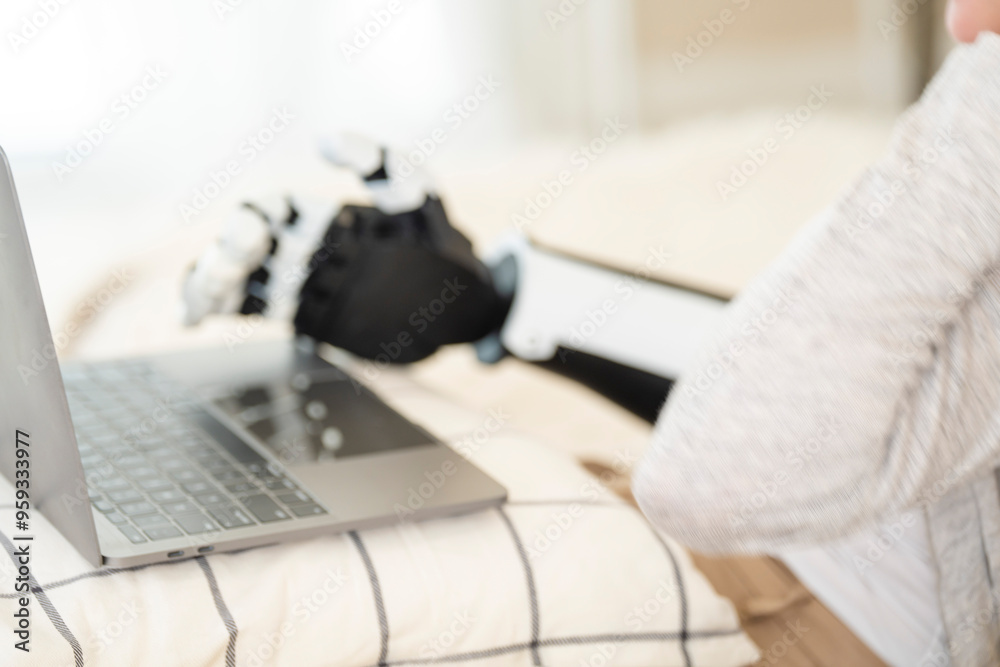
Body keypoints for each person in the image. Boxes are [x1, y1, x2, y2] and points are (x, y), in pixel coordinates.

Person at [182, 4, 1000, 664]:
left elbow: (713, 478)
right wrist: (505, 302)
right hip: (719, 541)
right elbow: (832, 411)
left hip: (791, 622)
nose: (962, 20)